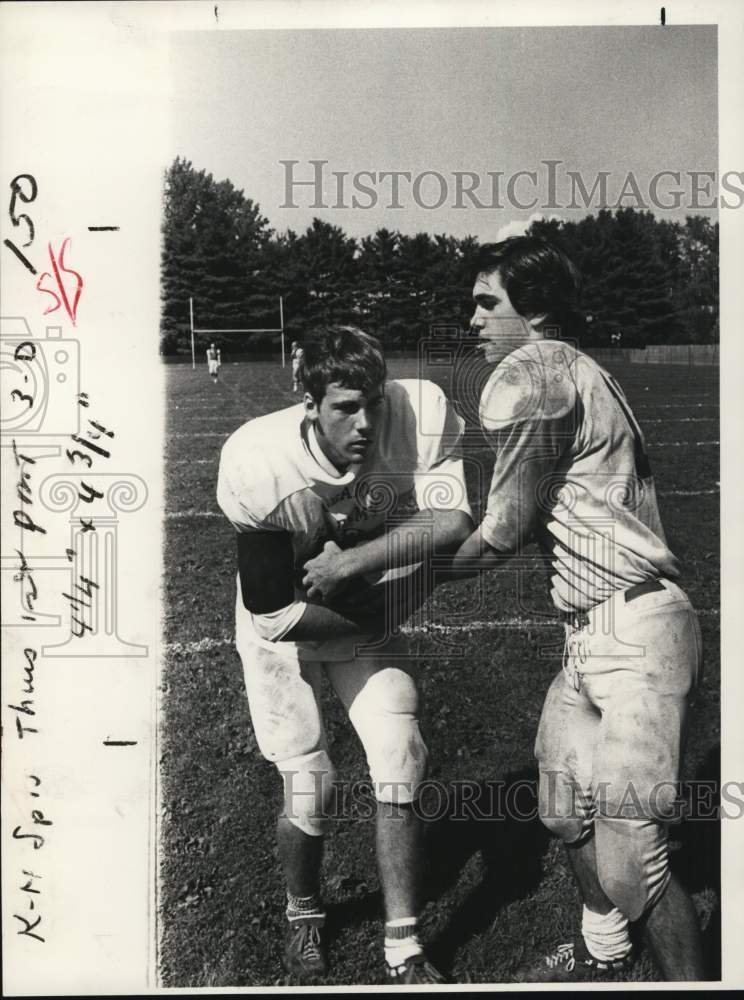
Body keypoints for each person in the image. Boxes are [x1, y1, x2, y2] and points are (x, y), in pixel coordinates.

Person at [449, 237, 704, 982]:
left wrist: (397, 577)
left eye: (488, 302)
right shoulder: (565, 370)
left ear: (541, 312)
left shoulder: (546, 376)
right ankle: (604, 952)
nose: (472, 319)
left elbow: (500, 532)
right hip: (589, 634)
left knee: (634, 860)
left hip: (638, 633)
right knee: (562, 808)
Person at [216, 325, 473, 984]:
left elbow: (449, 520)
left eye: (374, 403)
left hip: (360, 599)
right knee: (312, 785)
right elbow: (275, 608)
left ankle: (403, 944)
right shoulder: (256, 458)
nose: (365, 424)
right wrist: (376, 600)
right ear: (310, 404)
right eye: (344, 409)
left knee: (401, 758)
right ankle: (304, 915)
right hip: (287, 627)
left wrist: (354, 566)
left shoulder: (420, 410)